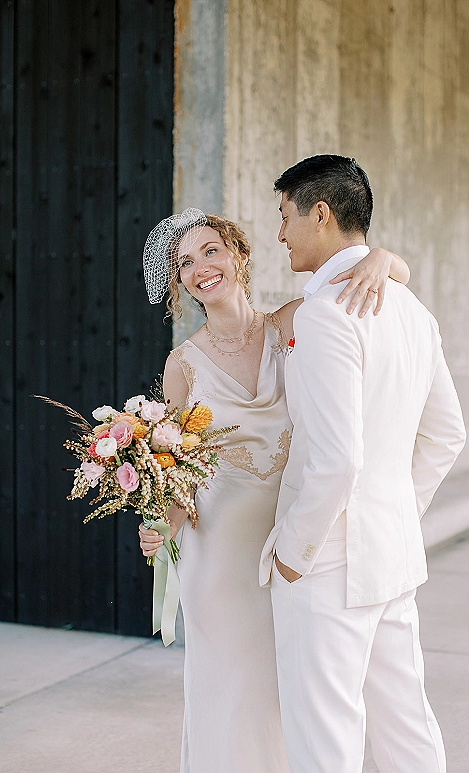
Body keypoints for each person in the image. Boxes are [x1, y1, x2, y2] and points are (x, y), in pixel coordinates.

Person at [138, 209, 411, 773]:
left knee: (294, 689)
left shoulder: (291, 322)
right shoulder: (182, 365)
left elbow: (390, 274)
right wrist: (162, 524)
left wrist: (383, 258)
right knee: (231, 687)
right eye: (184, 262)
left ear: (238, 254)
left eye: (210, 251)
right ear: (177, 282)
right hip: (219, 554)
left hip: (290, 540)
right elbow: (178, 475)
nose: (199, 268)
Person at [260, 154, 466, 773]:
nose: (280, 233)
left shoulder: (325, 315)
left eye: (285, 216)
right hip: (392, 549)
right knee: (406, 723)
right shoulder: (414, 311)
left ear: (320, 215)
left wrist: (291, 551)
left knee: (323, 734)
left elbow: (336, 458)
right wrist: (399, 506)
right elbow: (448, 435)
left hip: (326, 561)